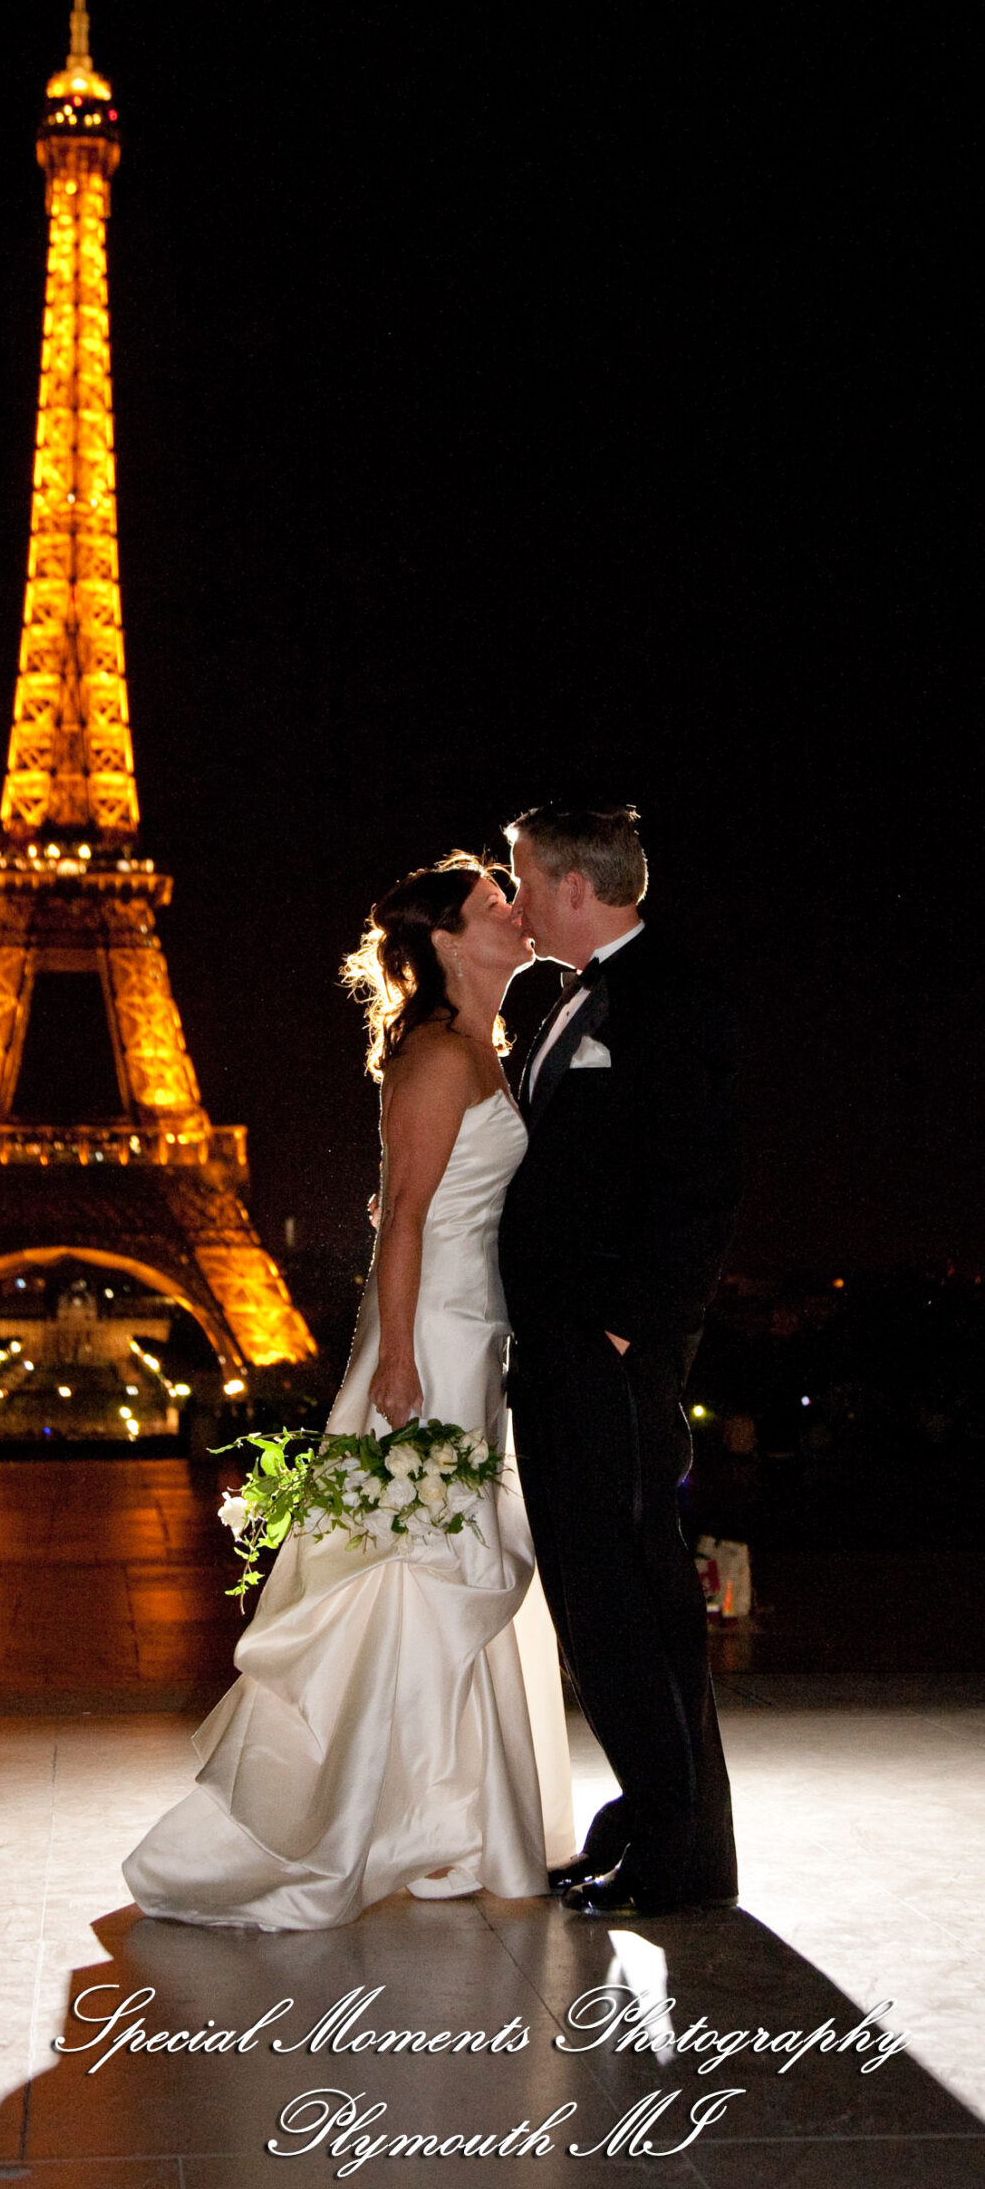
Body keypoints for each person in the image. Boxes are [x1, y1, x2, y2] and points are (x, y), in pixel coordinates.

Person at [122, 856, 574, 1929]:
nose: (515, 912)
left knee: (437, 1565)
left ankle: (442, 1822)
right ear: (451, 939)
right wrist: (404, 1359)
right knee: (418, 1566)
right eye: (493, 903)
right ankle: (377, 1824)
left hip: (474, 1330)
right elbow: (405, 1216)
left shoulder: (479, 1046)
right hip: (438, 1337)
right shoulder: (434, 1057)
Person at [498, 801, 743, 1917]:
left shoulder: (670, 994)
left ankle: (680, 1853)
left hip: (605, 1357)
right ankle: (654, 1817)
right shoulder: (568, 1001)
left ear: (574, 887)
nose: (513, 900)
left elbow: (703, 1180)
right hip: (559, 1351)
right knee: (601, 1604)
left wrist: (628, 1327)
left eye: (522, 879)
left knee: (634, 1597)